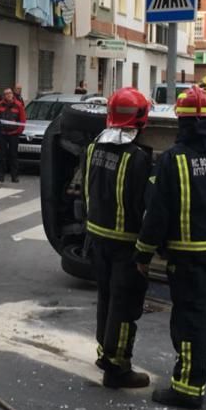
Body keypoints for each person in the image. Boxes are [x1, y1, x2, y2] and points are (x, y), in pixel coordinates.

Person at [136, 86, 206, 410]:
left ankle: (188, 386)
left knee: (190, 322)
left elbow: (157, 215)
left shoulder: (174, 160)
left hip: (188, 259)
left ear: (181, 123)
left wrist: (143, 253)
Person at [83, 88, 153, 389]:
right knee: (124, 306)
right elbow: (144, 207)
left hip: (97, 238)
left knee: (107, 300)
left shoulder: (93, 148)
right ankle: (118, 368)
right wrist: (148, 250)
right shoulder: (138, 158)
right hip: (125, 244)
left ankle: (104, 352)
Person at [0, 88, 26, 183]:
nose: (8, 95)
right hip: (2, 134)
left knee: (13, 155)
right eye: (6, 94)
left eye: (9, 93)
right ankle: (1, 176)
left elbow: (23, 120)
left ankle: (14, 176)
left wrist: (18, 131)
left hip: (14, 134)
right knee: (0, 155)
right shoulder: (0, 104)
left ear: (12, 94)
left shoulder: (19, 105)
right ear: (4, 95)